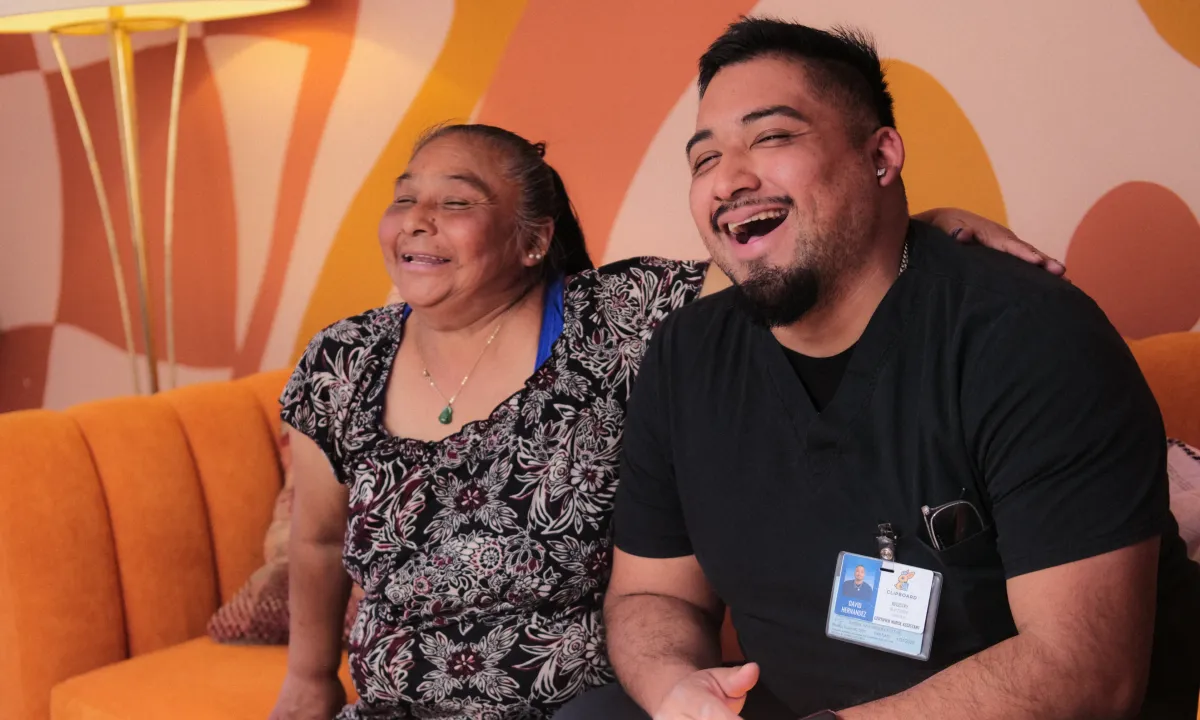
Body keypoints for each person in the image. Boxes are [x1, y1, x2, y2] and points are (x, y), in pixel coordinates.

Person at [267, 119, 1062, 719]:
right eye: (404, 197)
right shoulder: (343, 362)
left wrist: (920, 226)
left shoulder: (622, 316)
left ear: (534, 239)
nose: (415, 219)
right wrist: (307, 680)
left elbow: (798, 260)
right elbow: (318, 536)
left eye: (455, 203)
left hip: (577, 699)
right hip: (396, 703)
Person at [584, 17, 1200, 720]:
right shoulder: (687, 357)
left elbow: (1082, 671)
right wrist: (675, 687)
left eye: (771, 137)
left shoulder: (1029, 336)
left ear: (881, 158)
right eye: (703, 160)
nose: (728, 178)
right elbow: (652, 595)